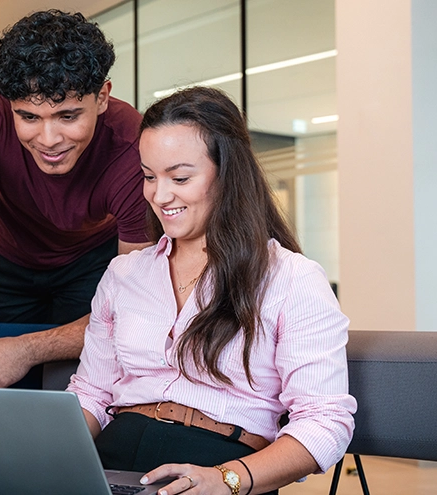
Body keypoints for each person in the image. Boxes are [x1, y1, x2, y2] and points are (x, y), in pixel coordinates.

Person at [67, 87, 356, 495]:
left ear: (228, 173)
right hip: (112, 459)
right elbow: (92, 392)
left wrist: (229, 478)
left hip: (221, 467)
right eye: (149, 177)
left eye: (180, 177)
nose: (159, 195)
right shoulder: (124, 274)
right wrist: (44, 456)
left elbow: (325, 420)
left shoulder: (292, 279)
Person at [0, 10, 152, 388]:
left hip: (93, 264)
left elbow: (129, 307)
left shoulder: (133, 146)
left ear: (102, 97)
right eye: (29, 117)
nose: (48, 140)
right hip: (4, 257)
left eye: (67, 116)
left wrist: (26, 350)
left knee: (76, 387)